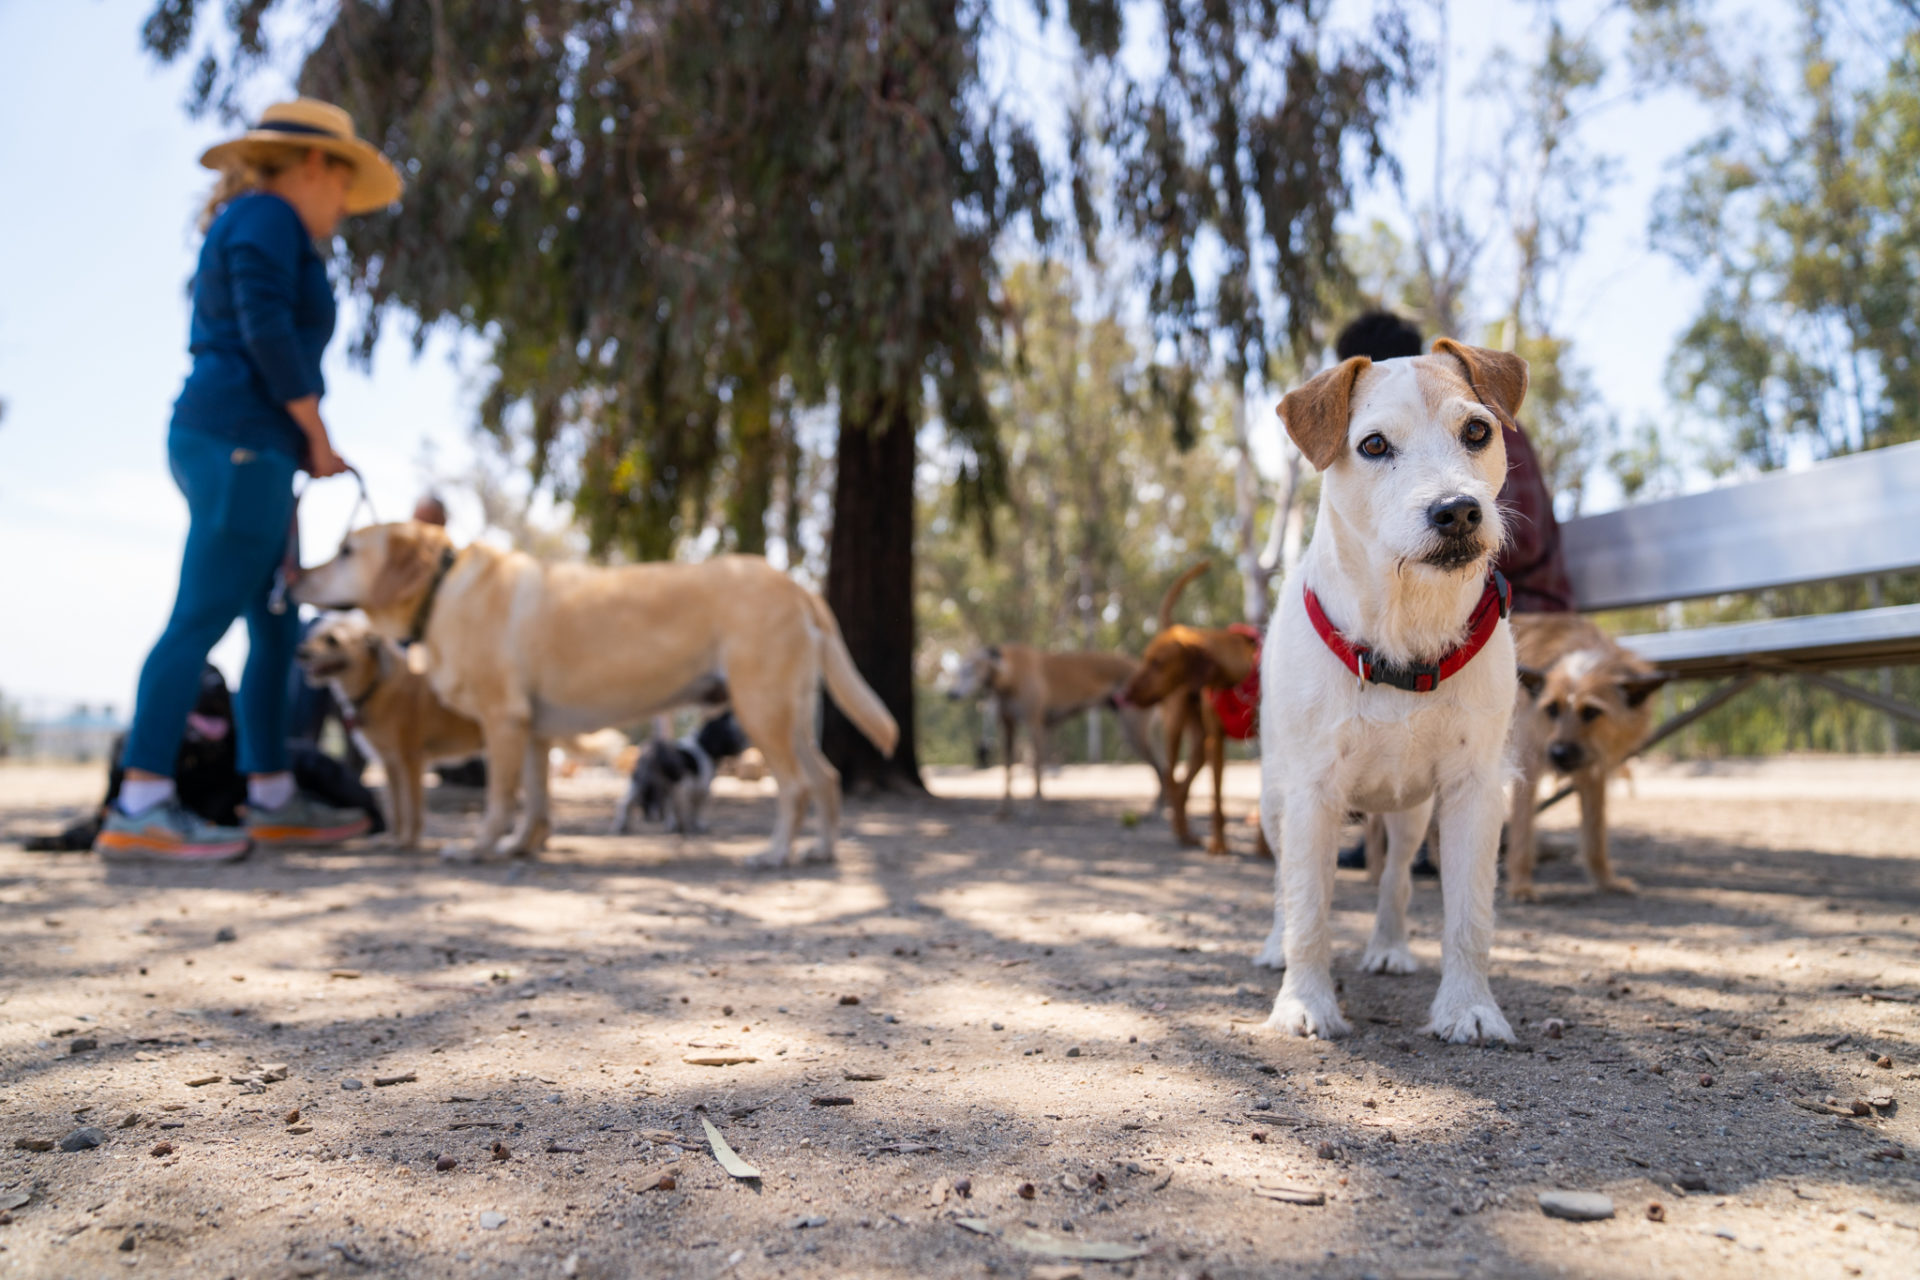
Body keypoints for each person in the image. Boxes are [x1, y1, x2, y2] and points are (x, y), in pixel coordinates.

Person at [94, 100, 404, 864]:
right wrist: (316, 432)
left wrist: (300, 442)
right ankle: (141, 802)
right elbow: (265, 329)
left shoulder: (266, 220)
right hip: (239, 442)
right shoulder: (267, 214)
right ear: (314, 165)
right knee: (200, 617)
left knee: (274, 626)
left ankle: (272, 796)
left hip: (257, 447)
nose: (343, 207)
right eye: (343, 186)